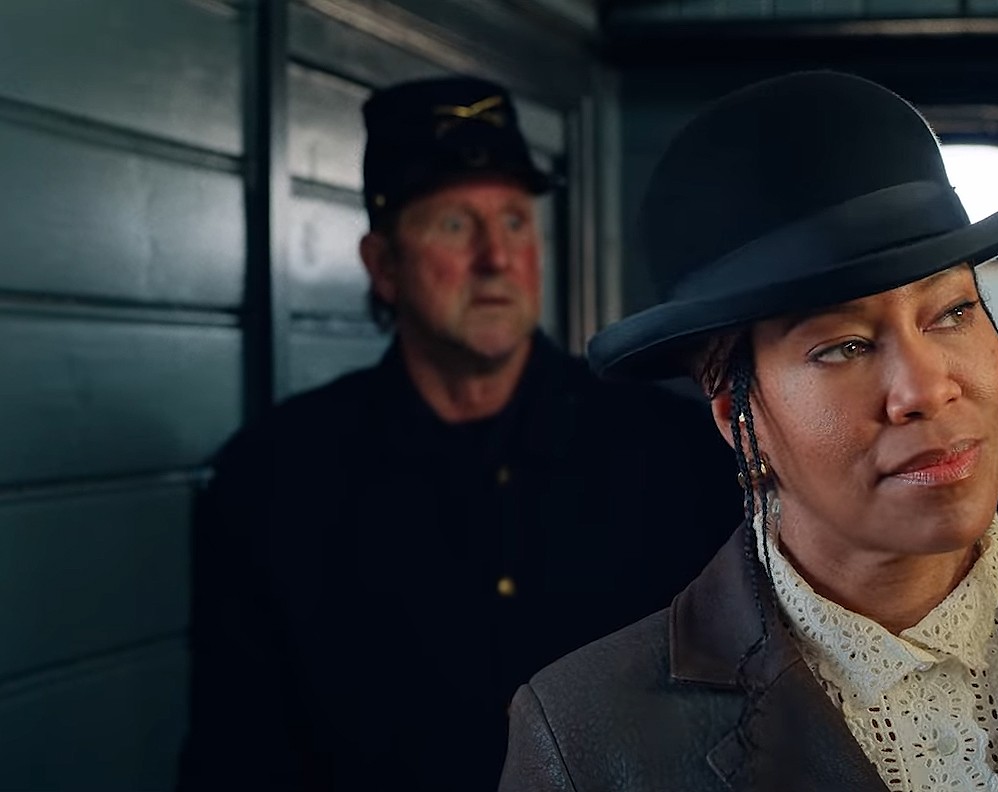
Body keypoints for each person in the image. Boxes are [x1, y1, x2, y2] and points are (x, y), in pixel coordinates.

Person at [497, 71, 998, 791]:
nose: (926, 388)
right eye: (845, 346)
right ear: (739, 416)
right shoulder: (588, 736)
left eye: (953, 312)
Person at [175, 76, 742, 791]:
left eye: (514, 222)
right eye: (453, 224)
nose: (495, 258)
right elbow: (236, 758)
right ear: (384, 265)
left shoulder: (674, 455)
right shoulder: (275, 482)